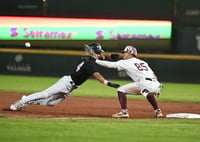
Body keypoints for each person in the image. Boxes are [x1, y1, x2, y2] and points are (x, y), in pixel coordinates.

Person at [10, 43, 120, 111]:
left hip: (71, 87)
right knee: (45, 94)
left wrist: (110, 56)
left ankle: (26, 100)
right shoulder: (90, 63)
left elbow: (102, 56)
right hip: (67, 82)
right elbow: (97, 75)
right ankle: (18, 103)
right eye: (98, 52)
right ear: (94, 52)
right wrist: (108, 83)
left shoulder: (92, 59)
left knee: (51, 103)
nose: (99, 54)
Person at [93, 45, 163, 118]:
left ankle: (124, 112)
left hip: (144, 83)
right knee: (146, 92)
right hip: (156, 84)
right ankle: (158, 111)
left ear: (130, 53)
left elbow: (110, 65)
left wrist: (96, 60)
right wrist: (156, 89)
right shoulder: (143, 62)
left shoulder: (126, 62)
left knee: (121, 90)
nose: (123, 54)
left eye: (125, 52)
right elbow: (154, 75)